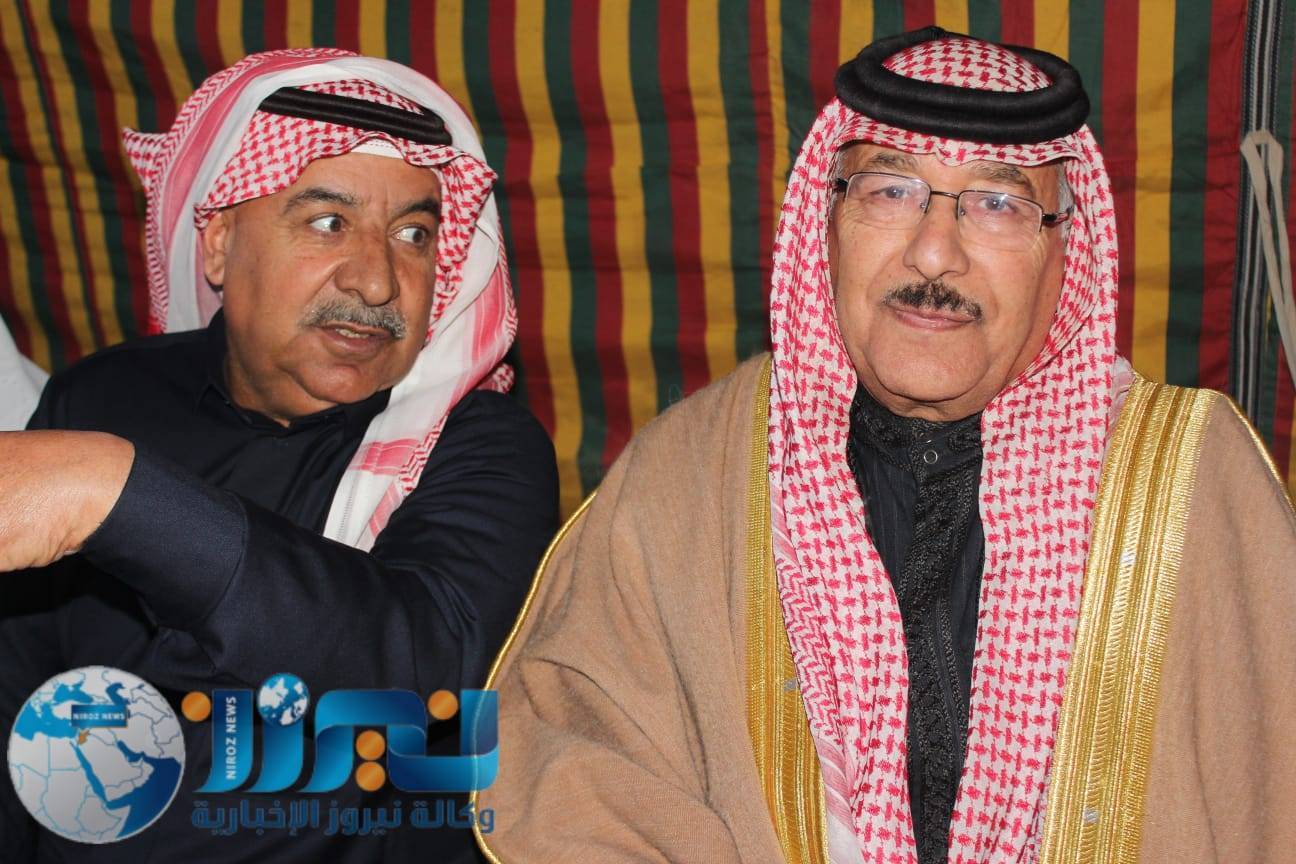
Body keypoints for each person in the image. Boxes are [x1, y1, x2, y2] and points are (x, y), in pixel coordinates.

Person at [475, 28, 1296, 864]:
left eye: (999, 203)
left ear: (1065, 253)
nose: (934, 254)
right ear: (826, 222)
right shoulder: (691, 471)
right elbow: (569, 753)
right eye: (890, 190)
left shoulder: (1195, 480)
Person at [0, 49, 557, 862]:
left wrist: (118, 496)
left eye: (413, 235)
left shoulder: (482, 446)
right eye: (328, 222)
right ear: (219, 244)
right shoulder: (107, 397)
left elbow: (428, 669)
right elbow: (19, 692)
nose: (377, 281)